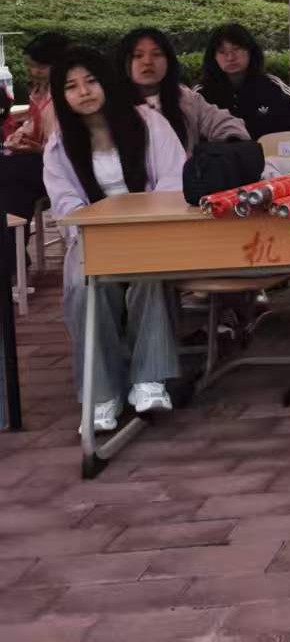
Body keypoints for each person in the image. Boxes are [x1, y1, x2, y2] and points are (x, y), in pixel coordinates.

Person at [42, 48, 187, 432]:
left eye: (91, 81)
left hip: (150, 230)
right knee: (83, 285)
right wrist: (93, 231)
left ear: (107, 81)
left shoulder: (148, 123)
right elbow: (65, 203)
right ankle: (102, 392)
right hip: (94, 237)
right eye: (71, 86)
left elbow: (174, 179)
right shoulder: (59, 145)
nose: (84, 92)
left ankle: (149, 379)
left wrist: (143, 224)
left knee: (146, 273)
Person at [1, 31, 70, 286]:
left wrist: (35, 149)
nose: (33, 71)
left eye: (39, 66)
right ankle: (12, 257)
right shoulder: (41, 93)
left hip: (61, 168)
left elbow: (66, 148)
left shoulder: (69, 94)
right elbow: (33, 128)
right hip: (35, 165)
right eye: (30, 65)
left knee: (10, 174)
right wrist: (19, 138)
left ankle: (10, 259)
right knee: (11, 188)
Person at [118, 28, 249, 152]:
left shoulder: (186, 99)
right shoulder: (112, 103)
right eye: (138, 55)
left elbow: (226, 124)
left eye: (156, 54)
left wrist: (209, 156)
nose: (147, 61)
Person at [197, 24, 290, 138]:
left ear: (250, 51)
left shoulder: (271, 86)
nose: (230, 57)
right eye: (222, 52)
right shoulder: (201, 94)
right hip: (218, 152)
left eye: (236, 49)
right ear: (213, 57)